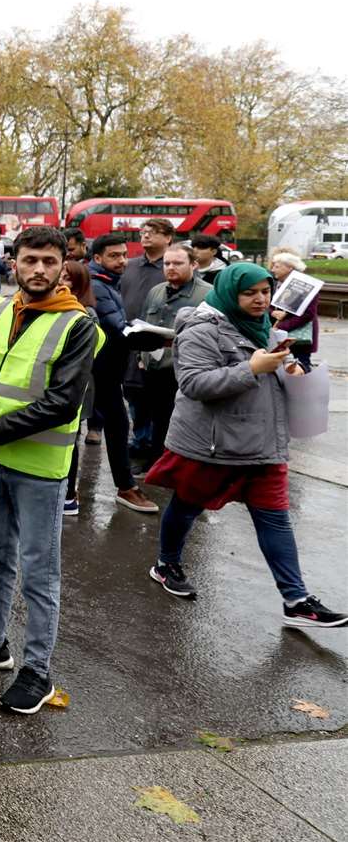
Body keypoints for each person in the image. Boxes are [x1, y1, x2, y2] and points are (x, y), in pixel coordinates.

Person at [0, 226, 100, 714]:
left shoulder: (80, 326)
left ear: (62, 266)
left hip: (35, 466)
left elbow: (61, 403)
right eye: (30, 260)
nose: (38, 270)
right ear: (13, 263)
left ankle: (38, 671)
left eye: (48, 262)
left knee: (39, 573)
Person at [143, 263, 345, 628]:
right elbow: (194, 384)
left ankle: (296, 599)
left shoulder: (264, 327)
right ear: (229, 293)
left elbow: (269, 371)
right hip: (213, 445)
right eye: (250, 292)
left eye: (265, 292)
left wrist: (290, 372)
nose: (260, 299)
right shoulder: (201, 330)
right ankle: (165, 563)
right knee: (186, 506)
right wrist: (251, 369)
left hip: (263, 444)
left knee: (276, 520)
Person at [88, 232, 159, 513]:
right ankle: (124, 486)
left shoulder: (109, 283)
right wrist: (157, 339)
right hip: (99, 371)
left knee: (116, 425)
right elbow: (117, 329)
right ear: (97, 258)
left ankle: (123, 486)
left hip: (107, 371)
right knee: (116, 425)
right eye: (114, 256)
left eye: (123, 254)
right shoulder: (98, 285)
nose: (122, 260)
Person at [132, 243, 212, 466]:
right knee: (155, 419)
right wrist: (140, 358)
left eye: (178, 263)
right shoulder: (156, 291)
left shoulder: (207, 294)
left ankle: (176, 465)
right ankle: (157, 462)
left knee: (179, 421)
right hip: (153, 368)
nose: (170, 268)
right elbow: (143, 324)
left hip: (183, 371)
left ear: (194, 265)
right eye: (167, 263)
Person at [119, 217, 174, 466]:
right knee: (132, 391)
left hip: (158, 342)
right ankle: (140, 440)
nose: (145, 235)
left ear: (168, 238)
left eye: (152, 232)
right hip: (128, 339)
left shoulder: (172, 266)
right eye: (143, 231)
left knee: (156, 397)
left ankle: (155, 446)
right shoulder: (130, 266)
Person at [58, 260, 99, 516]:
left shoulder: (86, 313)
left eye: (67, 277)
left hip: (78, 387)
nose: (61, 280)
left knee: (70, 442)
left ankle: (69, 495)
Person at [269, 249, 318, 372]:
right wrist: (272, 312)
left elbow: (308, 314)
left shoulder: (306, 285)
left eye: (277, 266)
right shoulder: (274, 283)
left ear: (289, 268)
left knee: (300, 367)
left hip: (297, 340)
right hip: (277, 335)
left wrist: (281, 326)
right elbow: (267, 304)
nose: (273, 269)